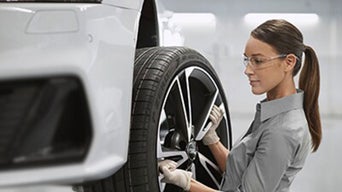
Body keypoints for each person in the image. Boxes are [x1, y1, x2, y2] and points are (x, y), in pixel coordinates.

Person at [158, 19, 322, 192]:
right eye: (247, 60)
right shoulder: (272, 113)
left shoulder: (284, 130)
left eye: (258, 61)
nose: (248, 70)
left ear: (289, 62)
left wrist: (185, 181)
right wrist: (212, 139)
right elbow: (239, 172)